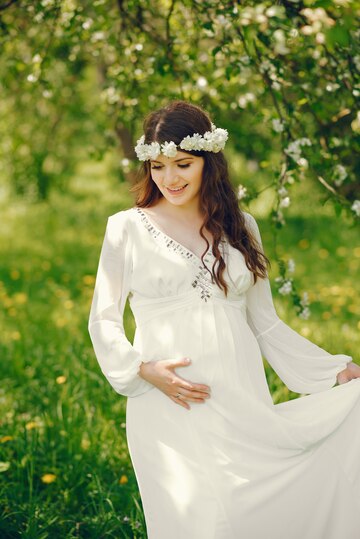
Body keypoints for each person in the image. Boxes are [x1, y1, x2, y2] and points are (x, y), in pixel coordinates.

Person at [88, 100, 360, 539]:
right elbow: (103, 320)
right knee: (201, 521)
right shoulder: (126, 228)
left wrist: (332, 369)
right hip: (171, 399)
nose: (170, 178)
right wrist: (142, 370)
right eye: (158, 166)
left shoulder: (241, 226)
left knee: (250, 515)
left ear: (208, 161)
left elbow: (265, 323)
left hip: (239, 394)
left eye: (183, 164)